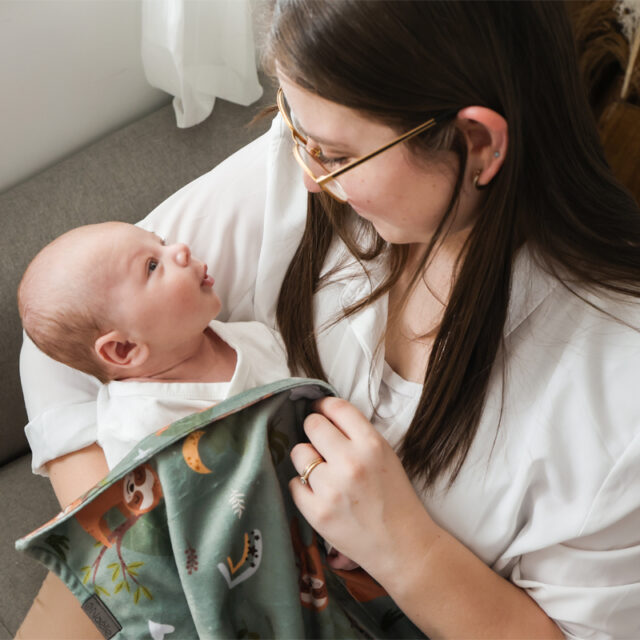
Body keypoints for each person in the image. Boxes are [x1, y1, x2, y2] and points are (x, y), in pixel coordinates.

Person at [16, 1, 640, 638]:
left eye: (335, 153)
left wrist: (406, 548)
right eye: (294, 126)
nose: (311, 176)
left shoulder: (614, 394)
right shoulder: (294, 167)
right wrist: (142, 547)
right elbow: (67, 325)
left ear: (477, 142)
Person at [18, 221, 291, 469]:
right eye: (152, 265)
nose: (181, 249)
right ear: (124, 349)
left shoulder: (249, 335)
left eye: (161, 243)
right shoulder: (138, 433)